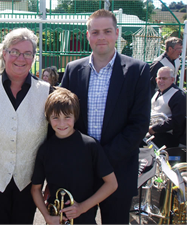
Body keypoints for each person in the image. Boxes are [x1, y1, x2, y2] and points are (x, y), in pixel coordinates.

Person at [61, 9, 151, 224]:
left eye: (107, 31)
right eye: (95, 31)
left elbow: (139, 124)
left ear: (117, 33)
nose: (101, 36)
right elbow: (61, 115)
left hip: (118, 170)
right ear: (88, 35)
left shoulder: (138, 70)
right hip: (80, 171)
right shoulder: (73, 70)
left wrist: (101, 159)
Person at [0, 27, 51, 224]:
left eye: (27, 53)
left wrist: (53, 179)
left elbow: (57, 139)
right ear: (4, 53)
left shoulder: (48, 93)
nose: (20, 58)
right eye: (14, 51)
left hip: (27, 186)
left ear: (34, 57)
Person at [31, 87, 118, 224]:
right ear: (48, 117)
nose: (61, 123)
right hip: (56, 220)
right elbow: (35, 189)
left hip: (86, 219)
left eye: (67, 117)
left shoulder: (90, 145)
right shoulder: (45, 149)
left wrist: (82, 208)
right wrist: (47, 217)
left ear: (75, 116)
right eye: (55, 117)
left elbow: (112, 184)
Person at [149, 66, 186, 148]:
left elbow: (177, 121)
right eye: (159, 78)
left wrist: (154, 128)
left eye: (164, 78)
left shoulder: (178, 96)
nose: (161, 81)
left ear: (172, 80)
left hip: (168, 137)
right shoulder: (158, 92)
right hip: (154, 132)